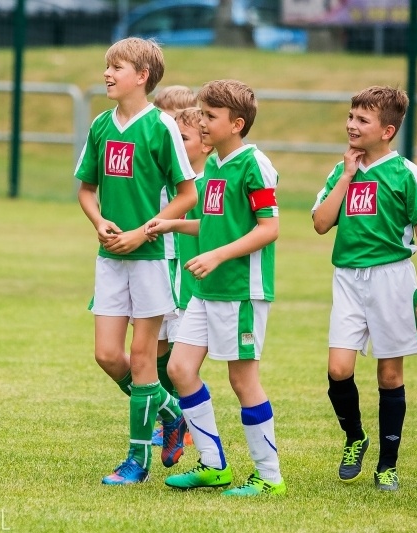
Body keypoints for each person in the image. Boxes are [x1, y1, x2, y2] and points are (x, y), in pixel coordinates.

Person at [146, 79, 285, 496]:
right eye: (201, 115)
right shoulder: (215, 169)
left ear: (237, 123)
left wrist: (218, 255)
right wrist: (172, 223)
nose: (202, 123)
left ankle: (269, 477)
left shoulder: (253, 164)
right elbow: (212, 223)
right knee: (179, 369)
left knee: (243, 381)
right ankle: (213, 465)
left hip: (241, 290)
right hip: (208, 292)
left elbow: (270, 228)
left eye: (210, 116)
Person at [75, 37, 198, 485]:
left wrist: (143, 231)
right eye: (107, 66)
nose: (107, 74)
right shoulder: (101, 126)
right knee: (108, 355)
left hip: (151, 257)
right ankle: (170, 411)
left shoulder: (161, 127)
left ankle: (136, 461)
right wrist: (100, 221)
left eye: (117, 68)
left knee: (144, 358)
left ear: (142, 77)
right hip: (110, 257)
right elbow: (86, 189)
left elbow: (188, 195)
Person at [312, 85, 417, 491]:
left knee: (389, 374)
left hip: (393, 279)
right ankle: (355, 438)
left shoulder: (405, 173)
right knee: (338, 369)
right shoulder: (341, 170)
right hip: (348, 278)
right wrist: (347, 175)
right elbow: (320, 223)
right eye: (350, 117)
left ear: (386, 131)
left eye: (362, 120)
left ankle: (388, 464)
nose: (351, 125)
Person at [149, 84, 198, 446]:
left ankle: (185, 419)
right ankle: (171, 419)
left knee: (179, 357)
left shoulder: (198, 174)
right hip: (156, 263)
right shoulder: (158, 162)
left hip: (181, 269)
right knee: (157, 349)